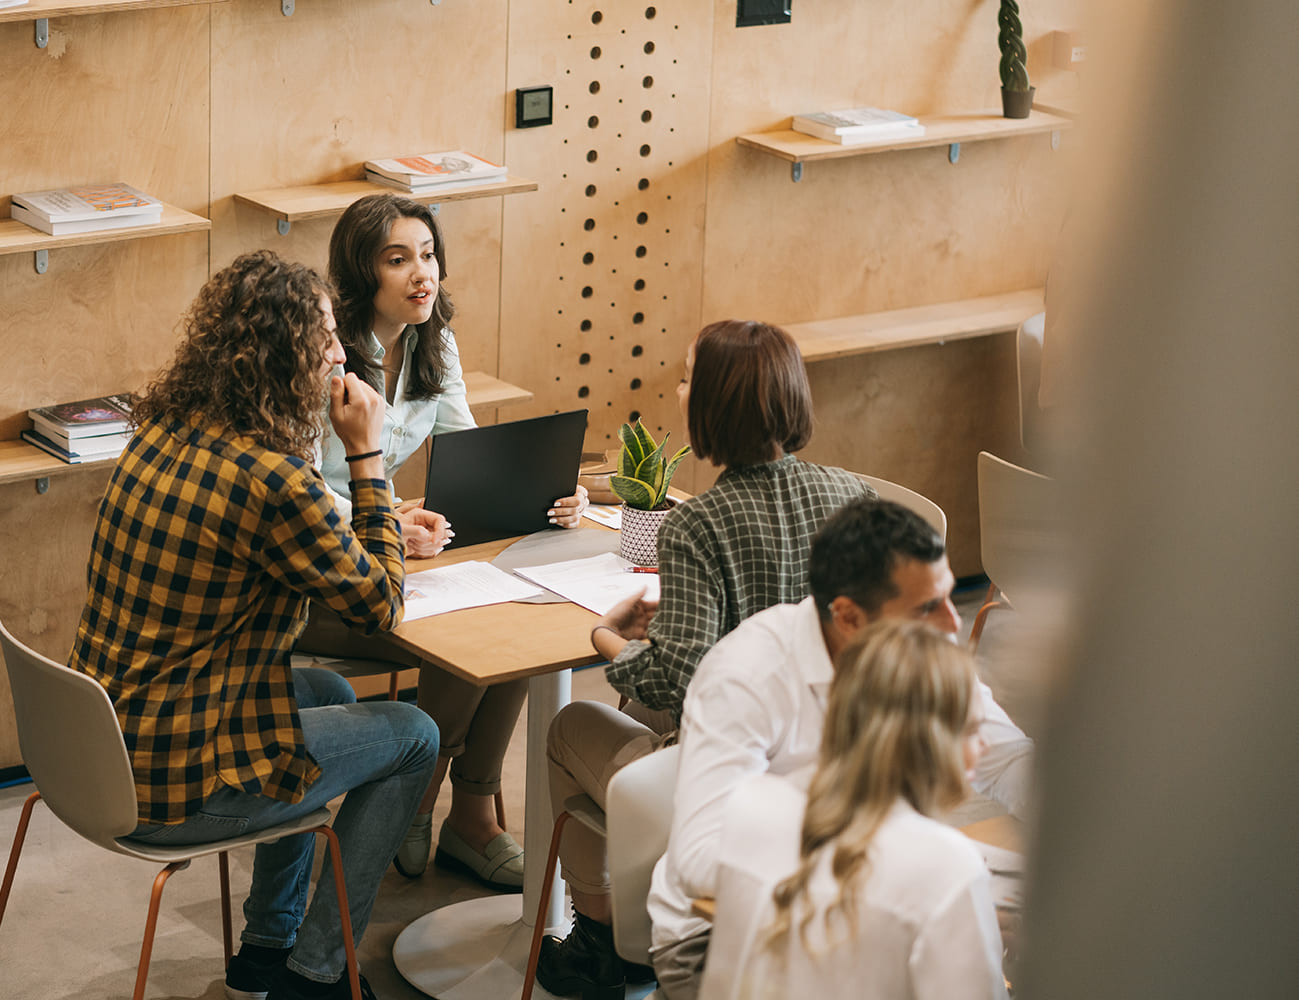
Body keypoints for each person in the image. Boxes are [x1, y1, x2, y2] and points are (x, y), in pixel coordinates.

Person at [67, 250, 439, 1000]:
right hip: (174, 782)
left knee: (326, 686)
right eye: (326, 338)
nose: (341, 353)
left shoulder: (163, 427)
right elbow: (378, 606)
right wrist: (365, 457)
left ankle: (266, 949)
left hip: (96, 747)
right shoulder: (273, 480)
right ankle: (317, 972)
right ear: (282, 356)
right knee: (414, 735)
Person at [537, 319, 874, 1000]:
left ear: (714, 403)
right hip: (832, 761)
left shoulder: (700, 522)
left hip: (731, 776)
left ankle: (602, 946)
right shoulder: (849, 496)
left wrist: (607, 639)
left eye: (689, 376)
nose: (680, 388)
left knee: (570, 727)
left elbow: (677, 677)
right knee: (632, 710)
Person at [299, 193, 589, 888]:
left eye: (426, 256)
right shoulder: (323, 357)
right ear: (359, 273)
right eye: (397, 260)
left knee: (515, 617)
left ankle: (465, 813)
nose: (420, 274)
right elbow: (295, 488)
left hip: (385, 553)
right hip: (319, 583)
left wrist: (547, 491)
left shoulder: (435, 342)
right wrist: (382, 517)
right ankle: (433, 800)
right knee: (467, 633)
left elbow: (467, 452)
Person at [647, 498, 1032, 999]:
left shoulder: (914, 649)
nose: (951, 624)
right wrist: (898, 885)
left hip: (852, 901)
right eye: (925, 607)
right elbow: (699, 860)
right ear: (849, 616)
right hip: (713, 933)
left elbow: (1009, 757)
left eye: (948, 596)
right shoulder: (746, 677)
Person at [698, 620, 1009, 1000]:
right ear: (931, 739)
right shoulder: (948, 867)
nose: (985, 747)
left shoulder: (751, 804)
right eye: (973, 730)